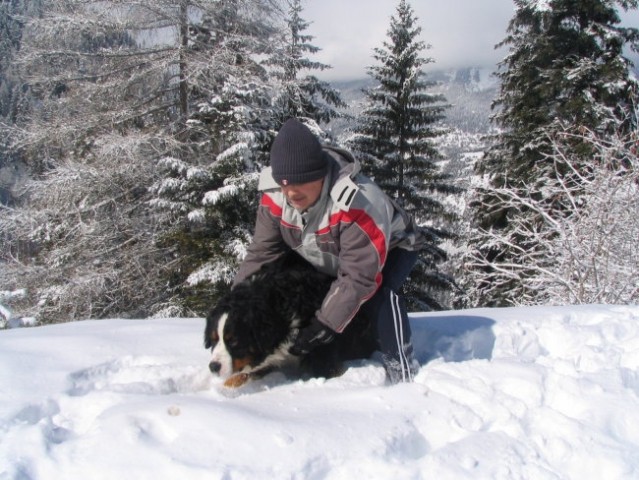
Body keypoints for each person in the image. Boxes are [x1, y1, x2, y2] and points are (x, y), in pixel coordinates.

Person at [233, 118, 426, 383]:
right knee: (285, 277)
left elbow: (359, 278)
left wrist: (324, 325)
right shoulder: (274, 195)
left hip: (393, 248)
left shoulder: (359, 202)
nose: (290, 193)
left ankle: (402, 371)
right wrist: (237, 307)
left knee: (377, 295)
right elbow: (261, 255)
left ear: (320, 175)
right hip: (325, 252)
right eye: (283, 184)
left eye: (300, 182)